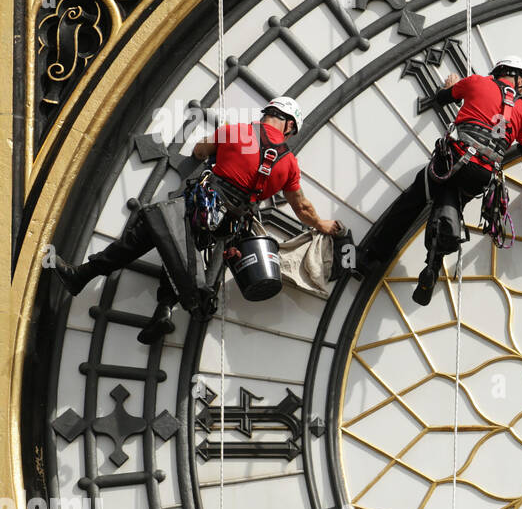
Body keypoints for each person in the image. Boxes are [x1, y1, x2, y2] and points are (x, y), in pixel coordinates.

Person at [54, 96, 341, 343]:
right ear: (290, 125)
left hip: (202, 204)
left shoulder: (238, 132)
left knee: (153, 230)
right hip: (227, 224)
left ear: (269, 114)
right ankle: (164, 310)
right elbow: (302, 207)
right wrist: (323, 226)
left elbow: (200, 151)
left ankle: (83, 275)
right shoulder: (289, 164)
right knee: (182, 249)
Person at [357, 55, 522, 305]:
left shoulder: (477, 82)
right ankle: (432, 265)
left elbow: (442, 99)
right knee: (450, 209)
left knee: (411, 202)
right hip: (482, 175)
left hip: (453, 160)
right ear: (518, 79)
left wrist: (450, 84)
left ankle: (370, 259)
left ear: (500, 70)